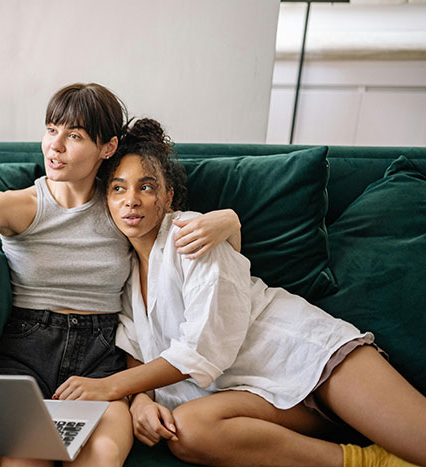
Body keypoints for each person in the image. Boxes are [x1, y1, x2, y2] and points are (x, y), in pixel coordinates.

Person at [0, 83, 241, 467]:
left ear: (107, 147)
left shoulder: (123, 204)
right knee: (22, 461)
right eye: (52, 129)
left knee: (102, 456)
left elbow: (190, 252)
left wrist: (229, 219)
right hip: (24, 357)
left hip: (101, 359)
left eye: (74, 135)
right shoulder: (17, 206)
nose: (55, 145)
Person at [53, 118, 426, 467]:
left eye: (145, 186)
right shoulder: (125, 274)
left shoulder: (195, 232)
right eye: (118, 188)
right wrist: (139, 402)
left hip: (314, 360)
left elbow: (202, 349)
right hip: (259, 396)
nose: (130, 199)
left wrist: (110, 388)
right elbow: (136, 350)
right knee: (188, 432)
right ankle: (366, 461)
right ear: (106, 199)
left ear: (167, 197)